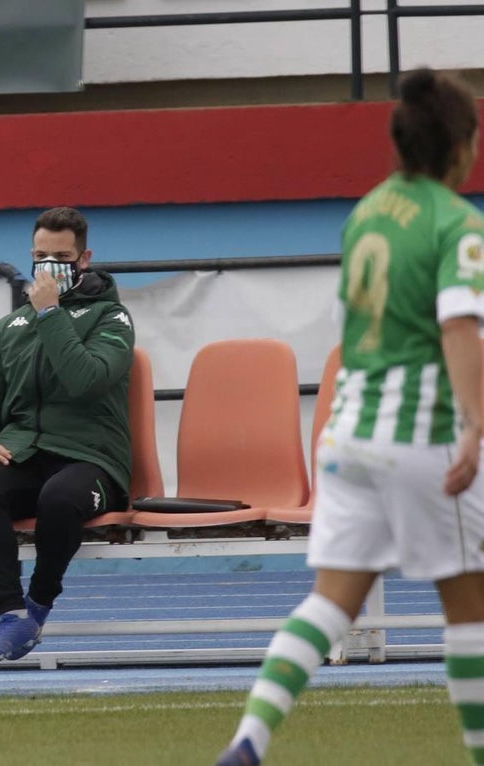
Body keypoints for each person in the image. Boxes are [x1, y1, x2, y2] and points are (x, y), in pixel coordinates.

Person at [216, 68, 484, 766]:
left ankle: (250, 738)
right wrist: (477, 424)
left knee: (332, 601)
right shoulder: (458, 223)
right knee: (469, 608)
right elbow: (458, 327)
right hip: (417, 434)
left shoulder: (364, 212)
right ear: (460, 147)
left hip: (347, 431)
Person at [0, 206, 135, 665]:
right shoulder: (10, 327)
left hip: (91, 461)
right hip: (27, 454)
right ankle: (10, 612)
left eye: (60, 256)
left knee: (59, 498)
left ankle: (37, 608)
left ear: (83, 258)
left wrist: (51, 314)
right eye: (40, 257)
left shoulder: (112, 318)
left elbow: (85, 380)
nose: (48, 267)